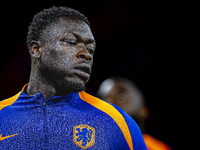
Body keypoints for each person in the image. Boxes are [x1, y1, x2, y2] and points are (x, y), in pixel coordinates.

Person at [0, 6, 147, 150]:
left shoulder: (119, 124)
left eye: (90, 49)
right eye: (71, 42)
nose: (86, 54)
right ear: (36, 49)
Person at [97, 77, 171, 150]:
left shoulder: (160, 148)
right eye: (103, 100)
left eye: (121, 97)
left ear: (142, 110)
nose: (110, 104)